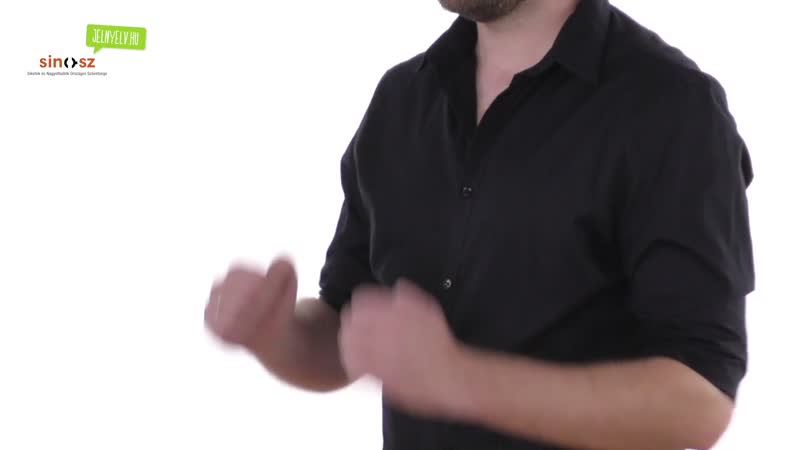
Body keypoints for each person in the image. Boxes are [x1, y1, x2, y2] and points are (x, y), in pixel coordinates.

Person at [203, 0, 755, 449]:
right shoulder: (401, 100)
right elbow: (344, 332)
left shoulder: (672, 107)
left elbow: (699, 402)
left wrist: (463, 380)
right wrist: (276, 336)